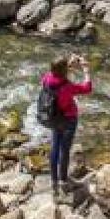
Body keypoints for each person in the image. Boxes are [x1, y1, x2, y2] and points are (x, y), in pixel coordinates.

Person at [41, 54, 92, 193]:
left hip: (53, 118)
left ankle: (53, 180)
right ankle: (63, 179)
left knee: (55, 147)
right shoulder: (67, 87)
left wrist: (68, 64)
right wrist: (86, 70)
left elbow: (57, 74)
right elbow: (87, 88)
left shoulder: (46, 78)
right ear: (64, 71)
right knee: (64, 150)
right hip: (68, 121)